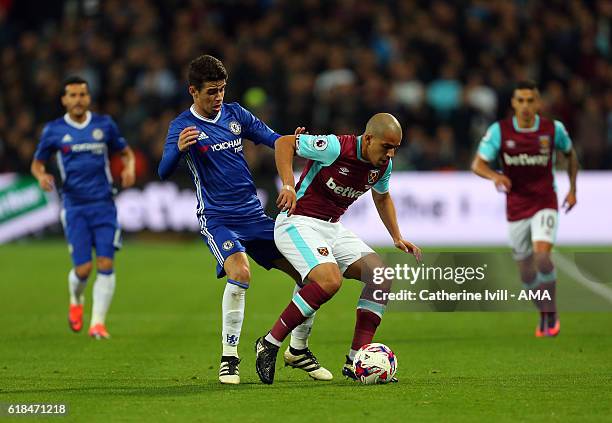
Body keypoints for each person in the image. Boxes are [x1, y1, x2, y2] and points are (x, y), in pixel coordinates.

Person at [158, 54, 331, 384]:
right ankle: (229, 358)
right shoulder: (182, 126)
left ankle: (298, 350)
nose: (218, 97)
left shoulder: (236, 114)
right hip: (219, 219)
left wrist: (295, 141)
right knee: (241, 273)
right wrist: (177, 151)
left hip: (254, 216)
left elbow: (275, 139)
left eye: (221, 89)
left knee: (313, 279)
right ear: (193, 91)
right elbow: (164, 172)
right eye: (211, 91)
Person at [254, 112, 422, 384]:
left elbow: (382, 197)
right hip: (298, 220)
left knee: (380, 276)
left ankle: (356, 360)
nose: (390, 154)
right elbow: (284, 143)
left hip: (332, 227)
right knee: (330, 280)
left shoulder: (382, 166)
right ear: (368, 139)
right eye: (386, 147)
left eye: (395, 149)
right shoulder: (336, 146)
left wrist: (396, 236)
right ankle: (269, 342)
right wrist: (288, 184)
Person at [471, 80, 579, 337]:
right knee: (526, 272)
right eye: (521, 100)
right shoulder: (500, 131)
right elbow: (478, 164)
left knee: (542, 257)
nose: (526, 106)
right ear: (513, 103)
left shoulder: (553, 130)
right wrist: (496, 176)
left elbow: (570, 155)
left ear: (538, 103)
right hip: (516, 207)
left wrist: (573, 189)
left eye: (531, 100)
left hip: (545, 201)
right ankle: (543, 311)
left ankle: (551, 311)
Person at [31, 76, 135, 340]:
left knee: (106, 263)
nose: (78, 100)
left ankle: (97, 324)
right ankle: (76, 300)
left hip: (104, 205)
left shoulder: (104, 125)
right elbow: (37, 163)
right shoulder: (54, 130)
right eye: (73, 95)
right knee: (83, 270)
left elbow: (126, 152)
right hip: (74, 207)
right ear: (64, 100)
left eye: (82, 95)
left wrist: (130, 167)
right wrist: (41, 176)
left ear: (88, 98)